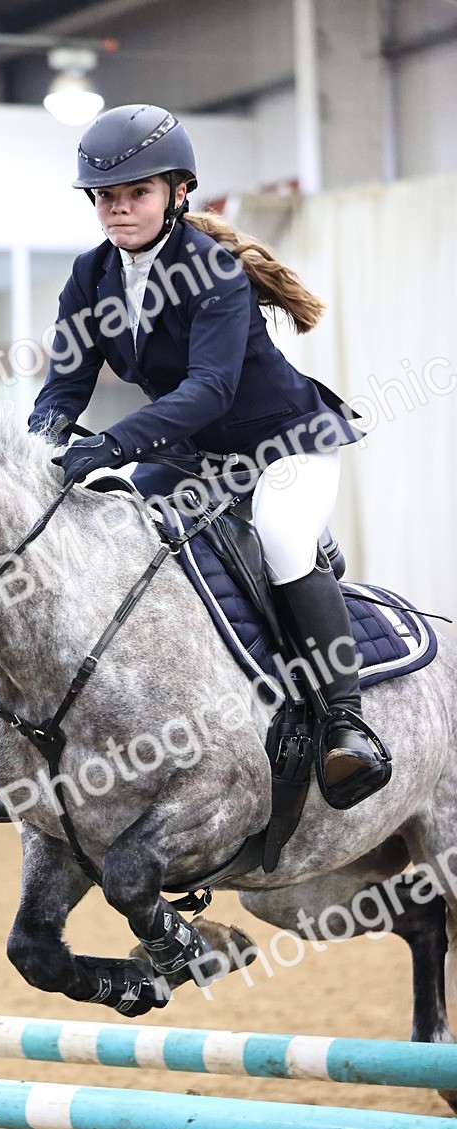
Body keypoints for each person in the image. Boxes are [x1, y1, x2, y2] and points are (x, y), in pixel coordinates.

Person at [28, 103, 389, 807]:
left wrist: (111, 445)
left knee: (284, 539)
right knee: (123, 538)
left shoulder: (212, 270)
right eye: (106, 196)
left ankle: (347, 724)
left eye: (136, 193)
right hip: (194, 459)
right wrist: (40, 450)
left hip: (284, 445)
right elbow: (63, 386)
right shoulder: (89, 276)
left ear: (177, 192)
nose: (118, 209)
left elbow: (210, 390)